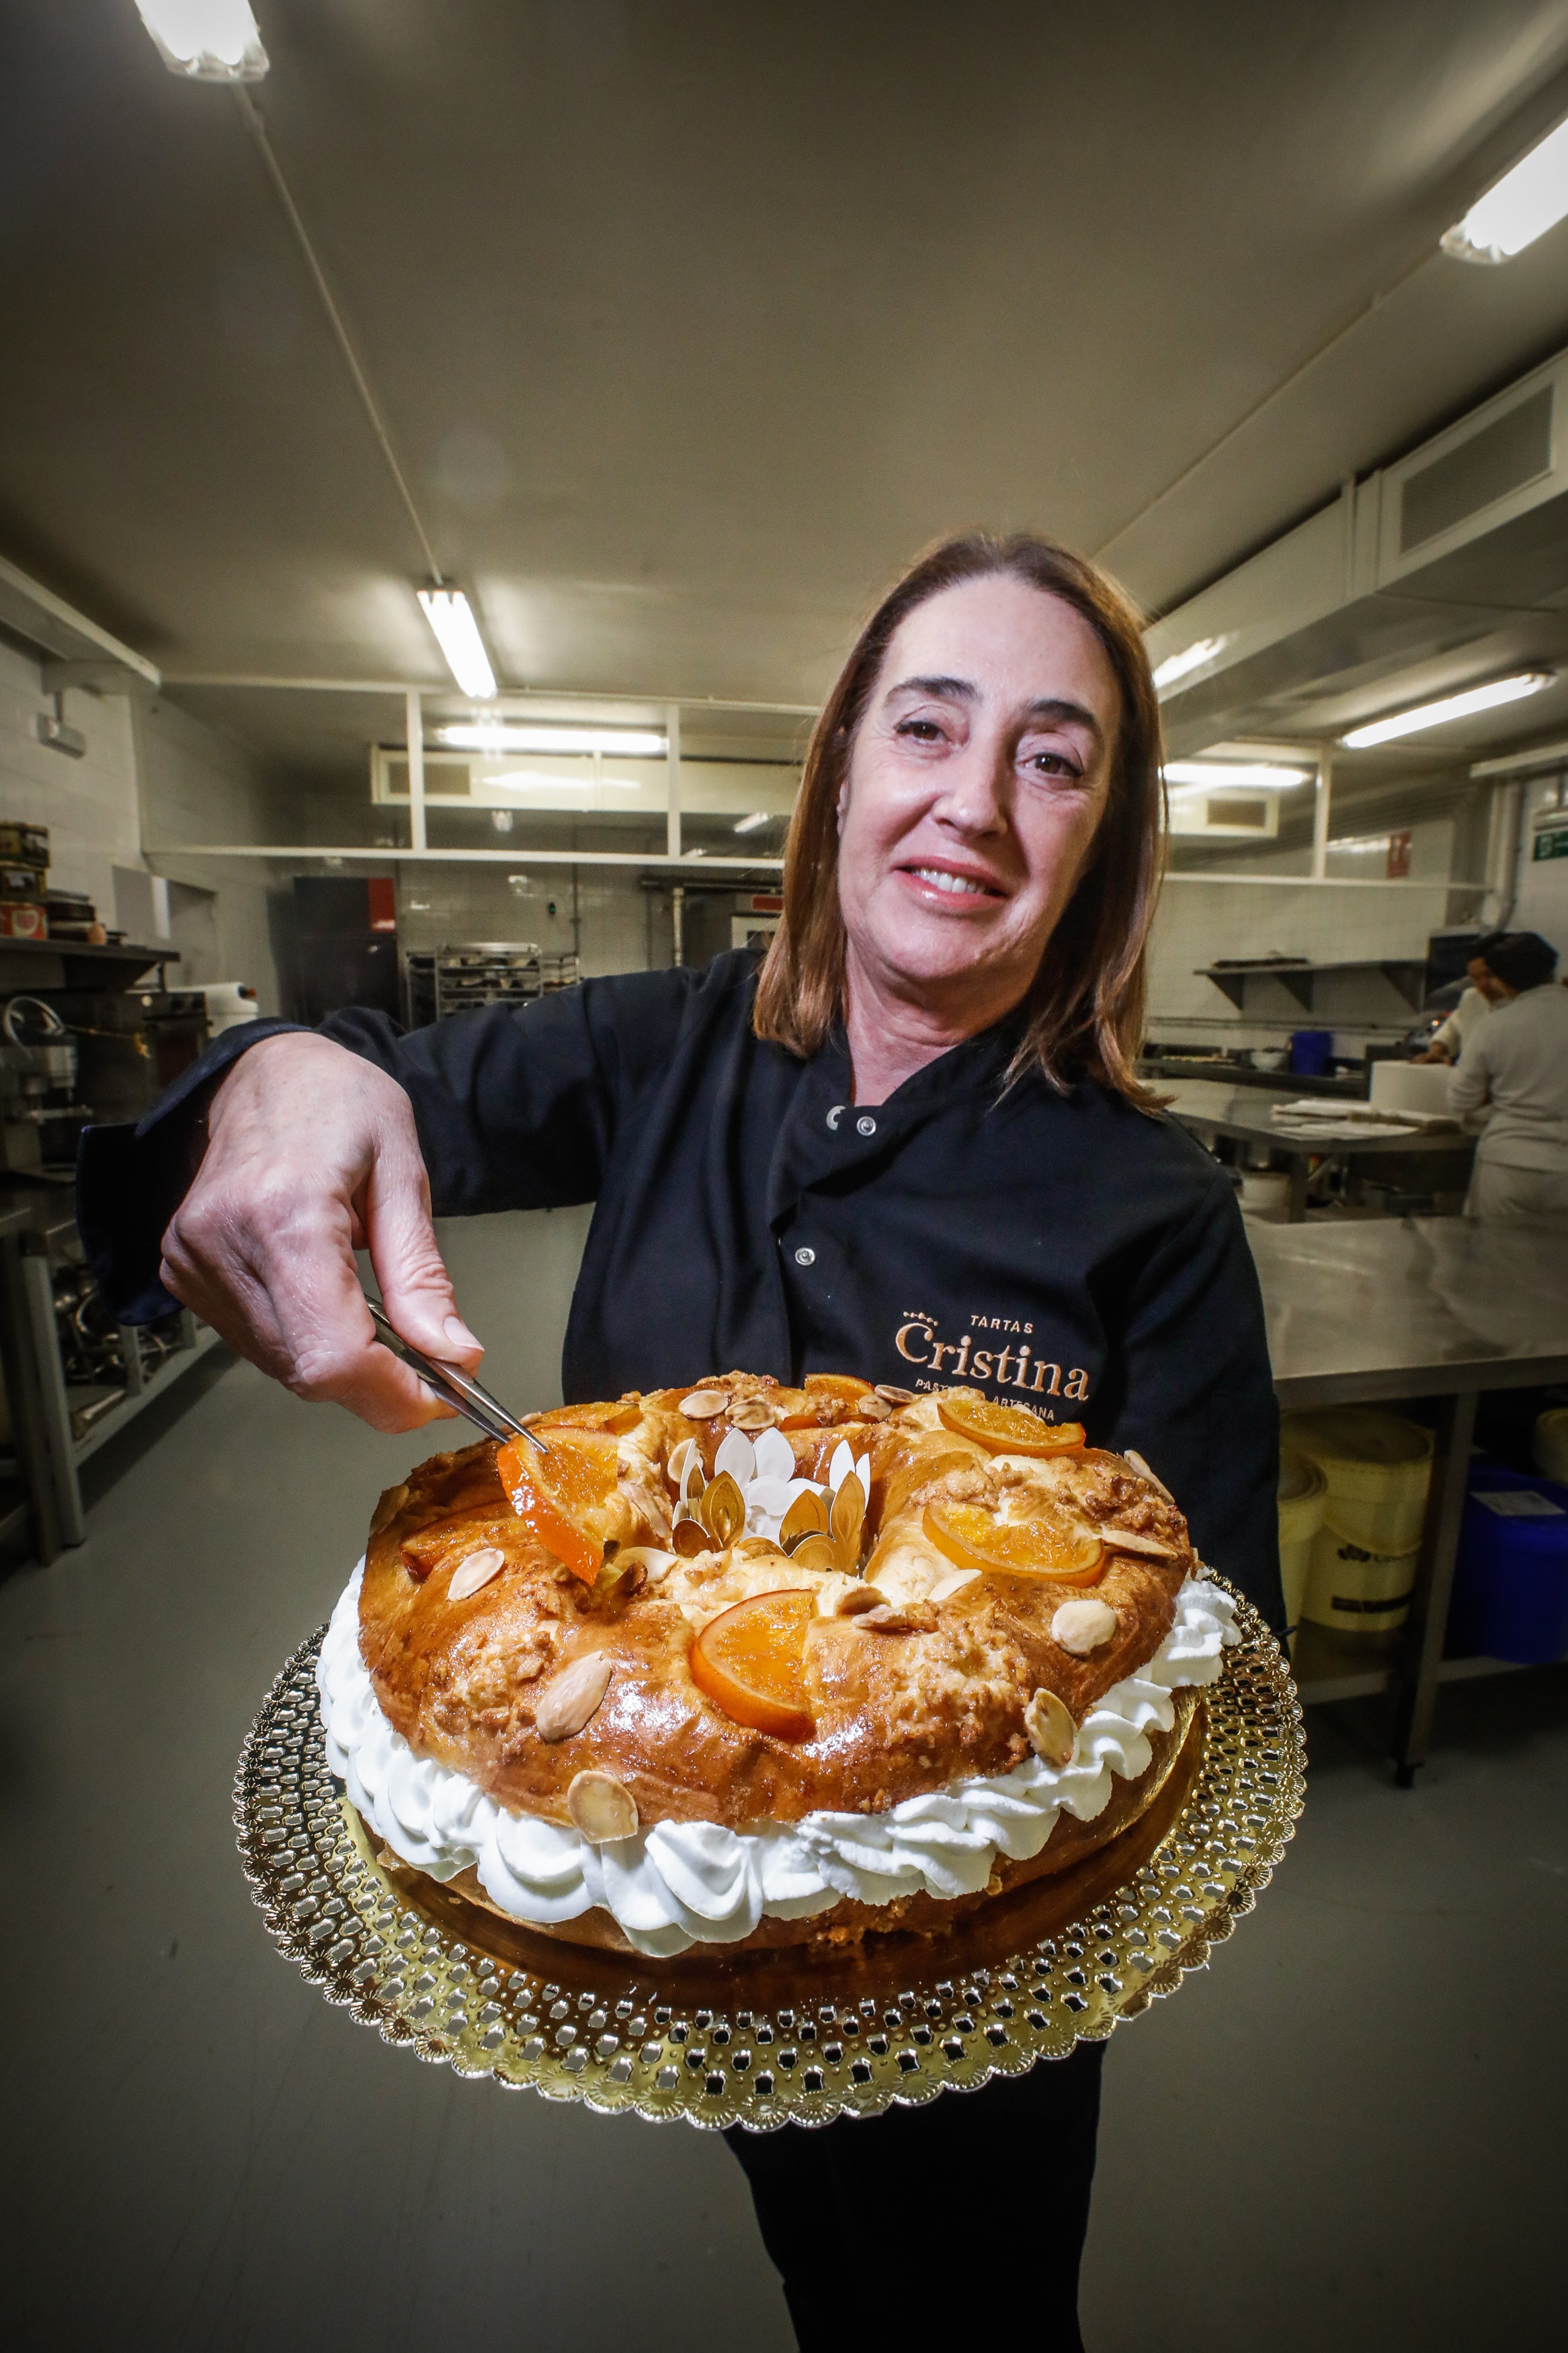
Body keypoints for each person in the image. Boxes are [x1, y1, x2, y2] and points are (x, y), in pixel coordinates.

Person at [77, 532, 1283, 2352]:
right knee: (810, 2259)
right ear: (840, 771)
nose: (974, 800)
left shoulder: (1151, 1204)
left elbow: (1196, 1655)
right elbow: (366, 1072)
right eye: (927, 726)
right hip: (670, 1907)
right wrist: (274, 1075)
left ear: (1102, 835)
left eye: (1052, 755)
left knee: (963, 2308)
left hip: (964, 1960)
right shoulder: (660, 1049)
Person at [1447, 930, 1568, 1225]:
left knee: (1498, 1259)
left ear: (1501, 979)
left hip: (1509, 1163)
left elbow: (1460, 1098)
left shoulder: (1495, 1026)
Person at [1410, 938, 1503, 1064]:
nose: (1483, 985)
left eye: (1489, 975)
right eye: (1476, 978)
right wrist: (1436, 1052)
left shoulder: (1522, 1005)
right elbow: (1451, 1030)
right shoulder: (1472, 999)